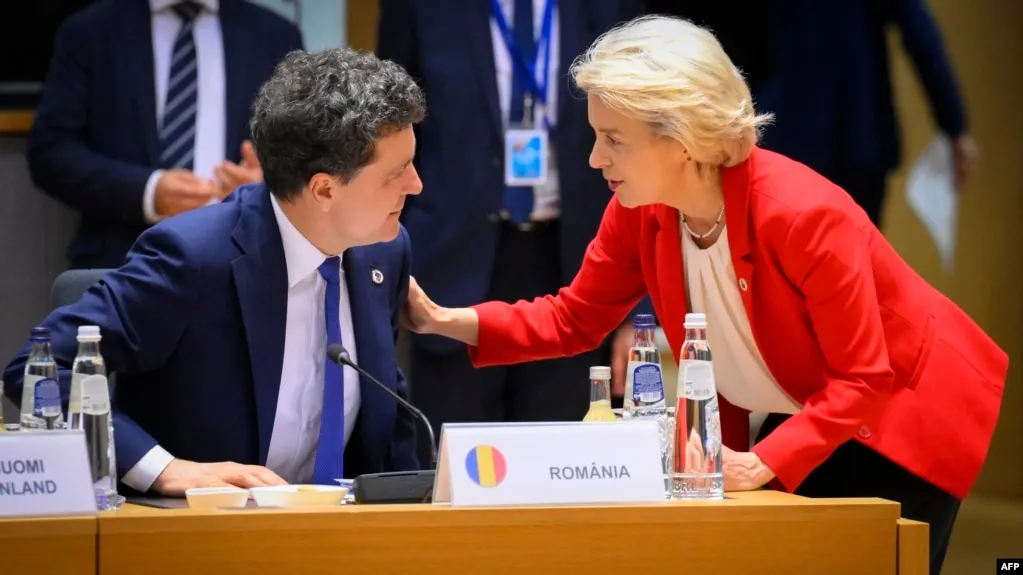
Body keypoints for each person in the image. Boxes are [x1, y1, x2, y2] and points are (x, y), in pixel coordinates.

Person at [401, 16, 1006, 575]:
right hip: (811, 407)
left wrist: (762, 461)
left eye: (614, 139)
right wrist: (441, 319)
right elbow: (575, 317)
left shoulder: (803, 215)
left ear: (682, 138)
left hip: (901, 412)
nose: (593, 158)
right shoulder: (639, 208)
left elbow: (863, 379)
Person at [4, 47, 425, 495]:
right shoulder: (192, 258)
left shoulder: (383, 252)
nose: (416, 184)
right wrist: (164, 469)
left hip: (339, 527)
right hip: (202, 526)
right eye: (396, 173)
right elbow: (36, 368)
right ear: (323, 190)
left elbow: (387, 423)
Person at [376, 0, 649, 465]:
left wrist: (634, 316)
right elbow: (389, 123)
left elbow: (642, 133)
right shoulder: (422, 8)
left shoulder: (607, 7)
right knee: (456, 466)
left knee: (562, 465)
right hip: (452, 257)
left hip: (576, 258)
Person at [27, 0, 303, 269]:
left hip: (245, 264)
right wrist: (148, 191)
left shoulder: (276, 35)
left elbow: (307, 157)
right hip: (122, 262)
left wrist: (269, 184)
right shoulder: (90, 31)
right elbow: (51, 152)